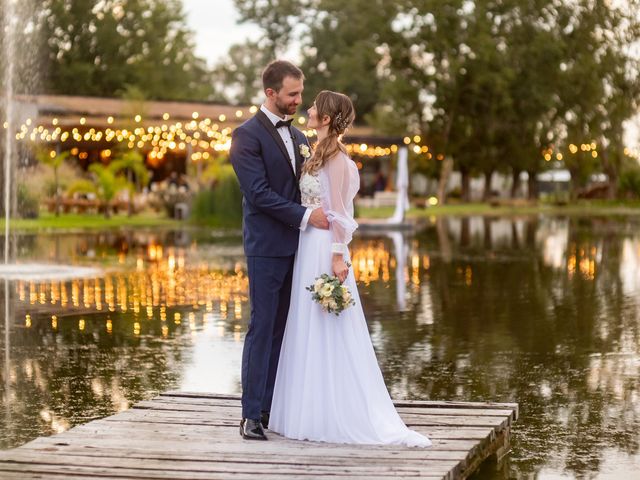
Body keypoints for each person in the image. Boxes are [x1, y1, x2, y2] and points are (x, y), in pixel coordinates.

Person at [268, 91, 431, 448]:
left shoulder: (340, 160)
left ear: (326, 118)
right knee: (304, 322)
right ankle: (305, 408)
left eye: (314, 107)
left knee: (327, 323)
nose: (308, 110)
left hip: (326, 249)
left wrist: (339, 256)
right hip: (306, 243)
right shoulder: (313, 154)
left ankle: (335, 410)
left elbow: (342, 214)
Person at [230, 60, 329, 441]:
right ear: (270, 93)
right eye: (292, 94)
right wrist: (307, 217)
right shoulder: (245, 136)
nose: (298, 100)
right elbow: (258, 195)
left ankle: (275, 407)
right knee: (262, 326)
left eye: (300, 93)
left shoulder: (302, 138)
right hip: (267, 248)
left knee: (286, 331)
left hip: (302, 250)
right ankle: (251, 414)